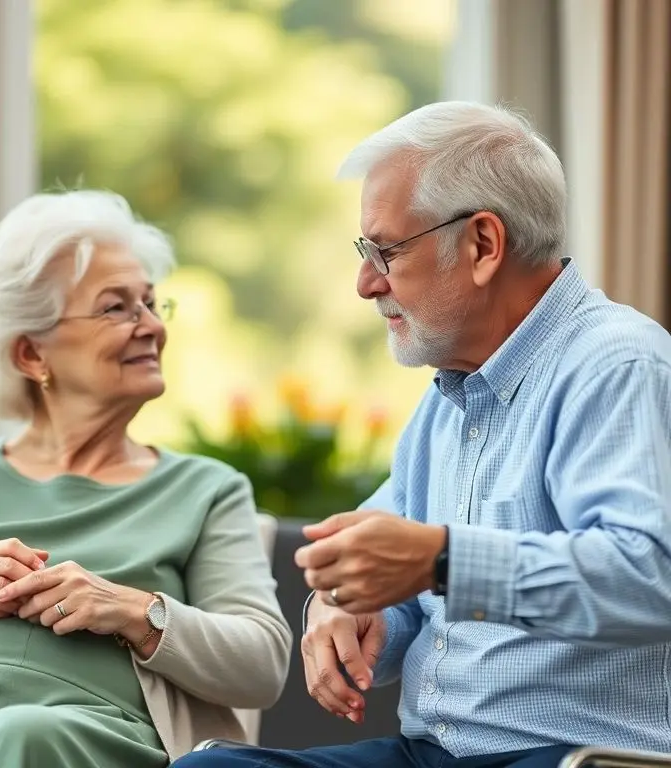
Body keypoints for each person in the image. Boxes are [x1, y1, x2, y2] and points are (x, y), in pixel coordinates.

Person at [174, 101, 671, 768]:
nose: (364, 283)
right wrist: (353, 607)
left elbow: (651, 575)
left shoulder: (618, 366)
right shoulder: (448, 396)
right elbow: (394, 570)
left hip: (567, 755)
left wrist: (443, 561)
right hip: (429, 753)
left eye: (385, 250)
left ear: (482, 245)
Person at [0, 190, 292, 767]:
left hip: (89, 731)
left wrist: (131, 609)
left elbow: (261, 663)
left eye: (151, 304)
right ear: (32, 355)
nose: (151, 326)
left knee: (25, 733)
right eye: (117, 308)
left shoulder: (205, 489)